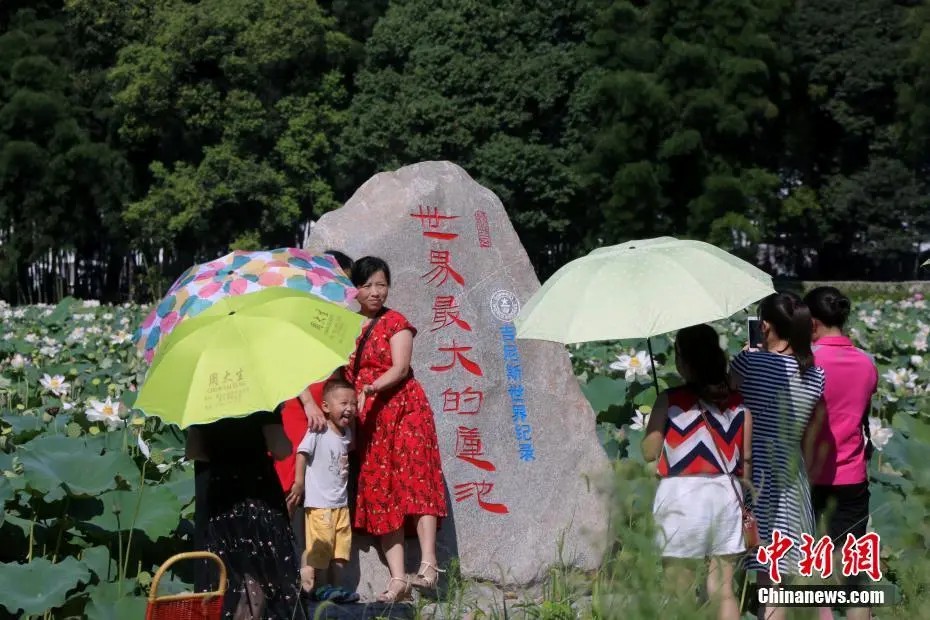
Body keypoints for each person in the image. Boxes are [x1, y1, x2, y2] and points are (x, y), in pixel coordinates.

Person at [344, 256, 448, 603]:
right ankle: (398, 578)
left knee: (419, 481)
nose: (375, 292)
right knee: (379, 491)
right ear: (354, 288)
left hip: (406, 412)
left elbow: (401, 368)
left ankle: (430, 565)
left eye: (381, 285)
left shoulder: (396, 322)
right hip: (369, 422)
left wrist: (371, 388)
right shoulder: (344, 326)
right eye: (367, 285)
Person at [643, 324, 752, 620]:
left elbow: (649, 451)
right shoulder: (739, 403)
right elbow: (747, 460)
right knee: (724, 589)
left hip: (680, 496)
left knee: (678, 590)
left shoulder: (669, 400)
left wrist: (653, 427)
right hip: (725, 494)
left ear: (682, 361)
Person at [730, 292, 826, 620]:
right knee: (780, 569)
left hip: (755, 465)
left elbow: (726, 403)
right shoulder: (815, 374)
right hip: (792, 469)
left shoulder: (748, 362)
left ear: (765, 325)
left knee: (763, 567)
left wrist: (745, 355)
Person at [186, 411, 307, 620]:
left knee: (229, 579)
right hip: (258, 498)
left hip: (221, 499)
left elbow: (194, 450)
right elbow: (281, 449)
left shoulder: (207, 402)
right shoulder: (259, 402)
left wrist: (225, 457)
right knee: (265, 579)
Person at [804, 286, 878, 620]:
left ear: (814, 323)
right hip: (853, 476)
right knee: (853, 575)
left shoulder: (806, 364)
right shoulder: (867, 364)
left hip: (810, 475)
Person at [287, 376, 360, 603]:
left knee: (341, 550)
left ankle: (337, 588)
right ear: (326, 406)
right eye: (343, 403)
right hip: (320, 505)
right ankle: (318, 586)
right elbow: (302, 453)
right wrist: (299, 482)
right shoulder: (318, 430)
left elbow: (352, 445)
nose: (349, 408)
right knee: (320, 548)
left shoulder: (346, 435)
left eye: (353, 404)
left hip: (340, 504)